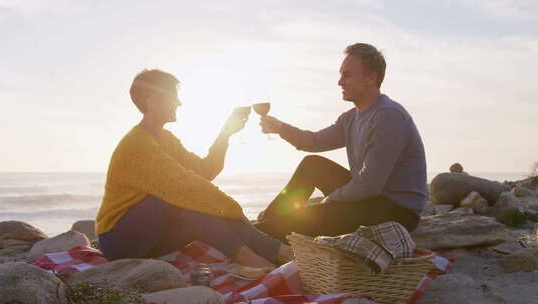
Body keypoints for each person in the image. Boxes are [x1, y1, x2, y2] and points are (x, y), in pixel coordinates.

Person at [96, 69, 293, 268]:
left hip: (151, 238)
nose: (179, 103)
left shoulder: (167, 139)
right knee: (185, 198)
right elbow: (185, 186)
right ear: (152, 100)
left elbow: (205, 171)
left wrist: (225, 134)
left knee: (196, 206)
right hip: (118, 241)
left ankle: (273, 253)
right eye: (173, 96)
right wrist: (232, 208)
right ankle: (261, 257)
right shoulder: (137, 144)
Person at [254, 43, 427, 243]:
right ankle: (264, 230)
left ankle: (258, 235)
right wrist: (280, 128)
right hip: (371, 199)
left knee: (305, 220)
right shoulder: (351, 118)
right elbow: (314, 142)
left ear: (371, 78)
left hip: (395, 211)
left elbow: (370, 184)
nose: (339, 82)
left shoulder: (388, 116)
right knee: (313, 165)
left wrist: (330, 201)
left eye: (347, 75)